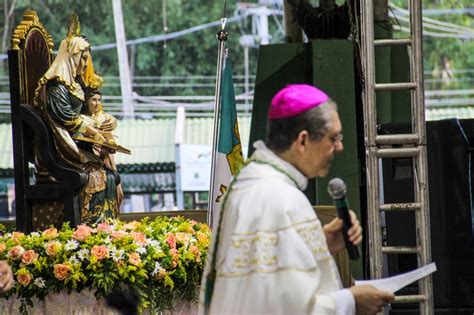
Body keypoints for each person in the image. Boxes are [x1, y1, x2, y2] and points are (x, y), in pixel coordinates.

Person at [200, 84, 395, 314]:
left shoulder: (249, 182)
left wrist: (321, 244)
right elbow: (287, 307)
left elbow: (264, 281)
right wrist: (351, 302)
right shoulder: (279, 198)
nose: (339, 147)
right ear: (303, 141)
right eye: (333, 138)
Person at [34, 14, 119, 226]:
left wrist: (102, 124)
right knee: (97, 176)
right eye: (82, 58)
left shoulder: (73, 84)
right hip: (58, 147)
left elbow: (88, 112)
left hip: (75, 142)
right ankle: (88, 228)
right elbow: (66, 118)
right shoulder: (56, 86)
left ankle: (105, 228)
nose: (85, 63)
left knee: (109, 175)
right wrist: (94, 132)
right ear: (71, 56)